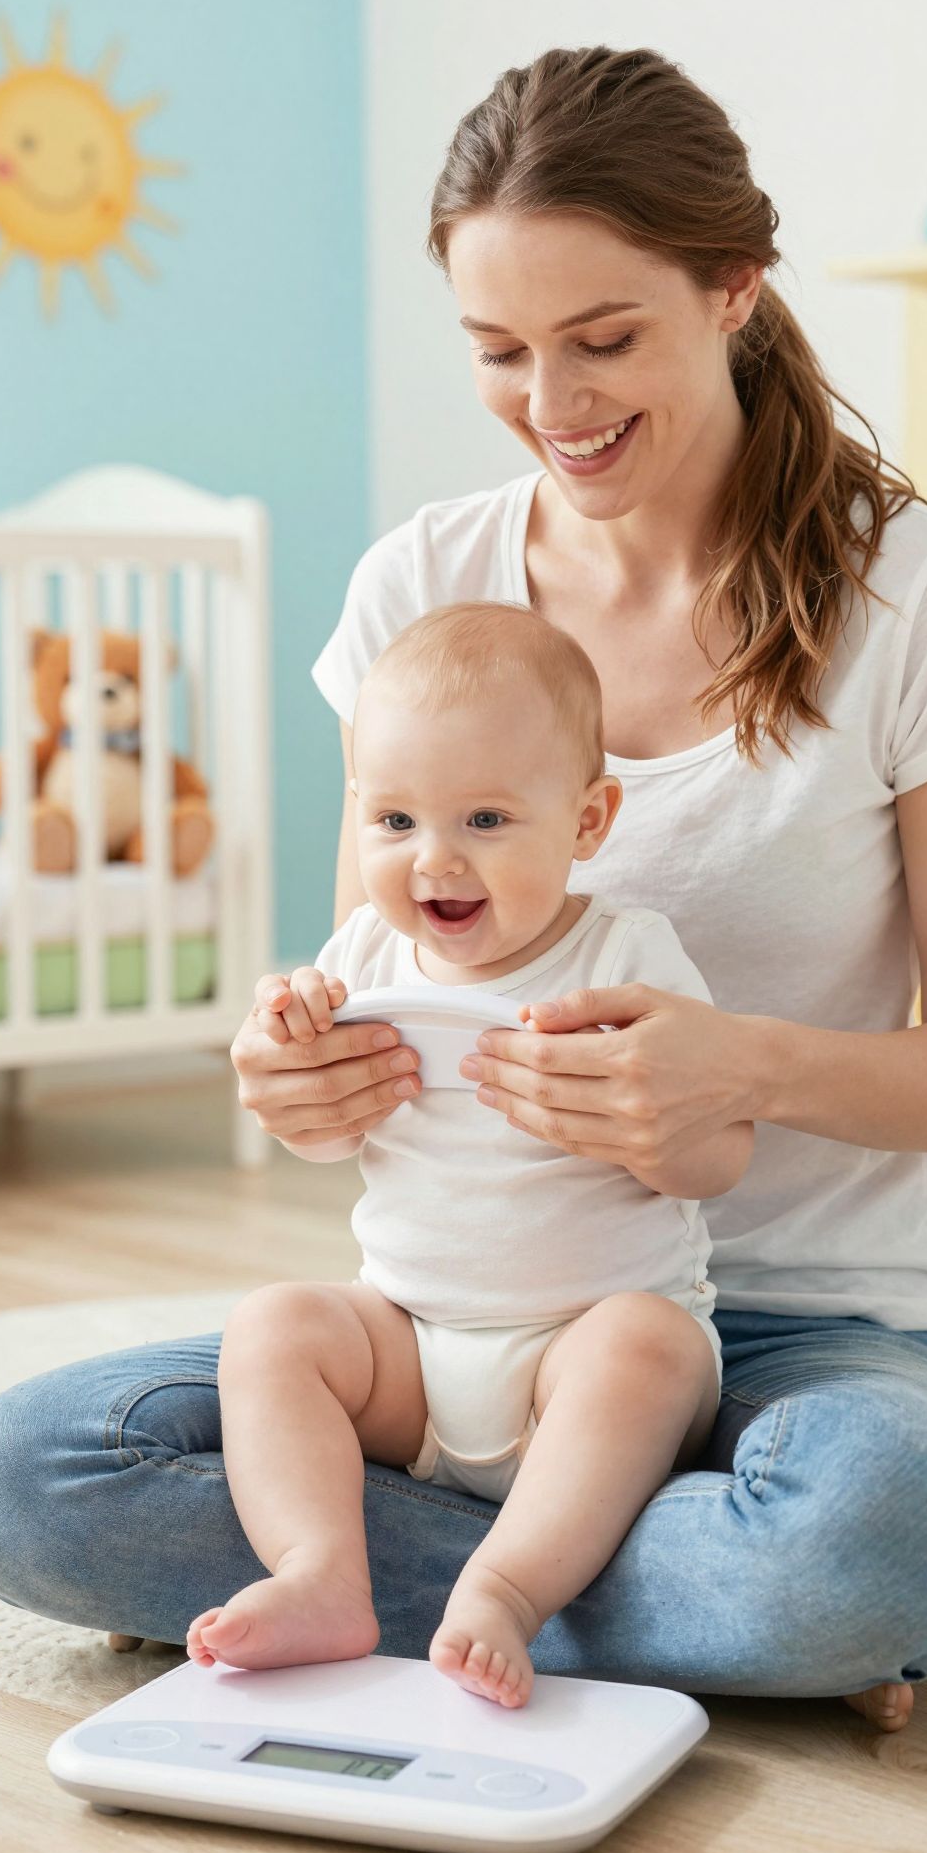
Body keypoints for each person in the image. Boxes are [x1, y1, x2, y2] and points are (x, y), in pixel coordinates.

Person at [0, 45, 927, 1734]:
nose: (552, 398)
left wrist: (739, 1063)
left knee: (891, 1523)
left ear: (733, 288)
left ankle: (623, 1579)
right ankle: (659, 1598)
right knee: (17, 1480)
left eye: (603, 339)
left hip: (808, 1333)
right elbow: (375, 962)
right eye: (496, 349)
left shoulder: (920, 594)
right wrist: (300, 1071)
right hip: (451, 1316)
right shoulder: (424, 585)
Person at [185, 603, 750, 1707]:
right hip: (411, 1345)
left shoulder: (627, 954)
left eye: (486, 817)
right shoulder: (362, 954)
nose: (433, 858)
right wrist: (293, 1047)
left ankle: (506, 1586)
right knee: (272, 1325)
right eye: (394, 818)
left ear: (588, 820)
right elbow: (330, 1128)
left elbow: (719, 1155)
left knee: (648, 1344)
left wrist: (646, 1121)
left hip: (574, 1355)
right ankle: (323, 1571)